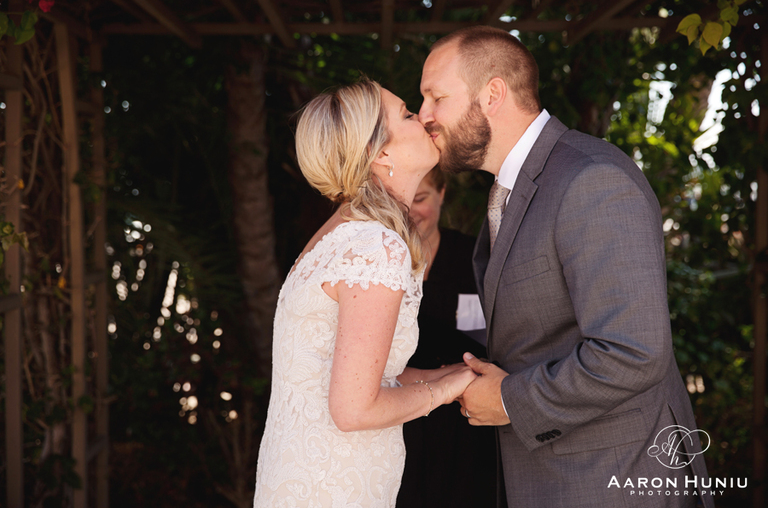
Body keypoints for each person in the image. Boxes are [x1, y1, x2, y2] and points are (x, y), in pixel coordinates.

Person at [417, 26, 714, 508]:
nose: (425, 115)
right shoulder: (511, 188)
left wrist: (511, 399)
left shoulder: (591, 179)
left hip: (613, 478)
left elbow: (632, 352)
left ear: (492, 93)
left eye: (436, 97)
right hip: (554, 474)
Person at [253, 79, 477, 508]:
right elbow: (355, 409)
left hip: (304, 477)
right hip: (336, 487)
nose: (425, 117)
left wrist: (453, 376)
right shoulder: (374, 246)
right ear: (381, 154)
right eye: (409, 114)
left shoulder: (341, 233)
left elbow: (361, 378)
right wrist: (447, 392)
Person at [397, 167, 496, 508]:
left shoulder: (476, 262)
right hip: (400, 419)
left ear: (441, 192)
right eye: (402, 201)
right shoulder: (378, 267)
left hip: (466, 426)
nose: (410, 212)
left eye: (420, 198)